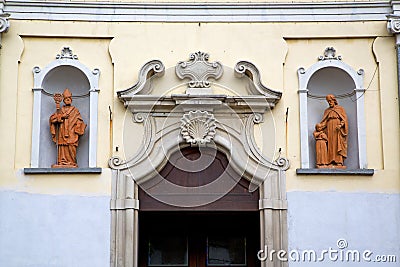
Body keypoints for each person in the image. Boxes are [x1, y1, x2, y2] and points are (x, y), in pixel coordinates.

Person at [49, 88, 86, 168]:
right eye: (66, 99)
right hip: (62, 132)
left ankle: (71, 162)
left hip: (72, 132)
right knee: (62, 147)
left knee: (71, 146)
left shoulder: (75, 111)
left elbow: (79, 120)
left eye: (69, 99)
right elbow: (52, 119)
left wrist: (78, 126)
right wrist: (61, 116)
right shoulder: (60, 110)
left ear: (71, 100)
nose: (67, 100)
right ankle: (62, 162)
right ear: (64, 100)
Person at [318, 94, 348, 168]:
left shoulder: (340, 109)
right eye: (328, 101)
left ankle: (339, 161)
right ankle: (330, 161)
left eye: (330, 101)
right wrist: (320, 127)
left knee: (337, 143)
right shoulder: (327, 111)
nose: (329, 102)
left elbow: (344, 119)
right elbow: (324, 121)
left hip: (337, 129)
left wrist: (340, 125)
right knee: (330, 144)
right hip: (329, 129)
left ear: (334, 100)